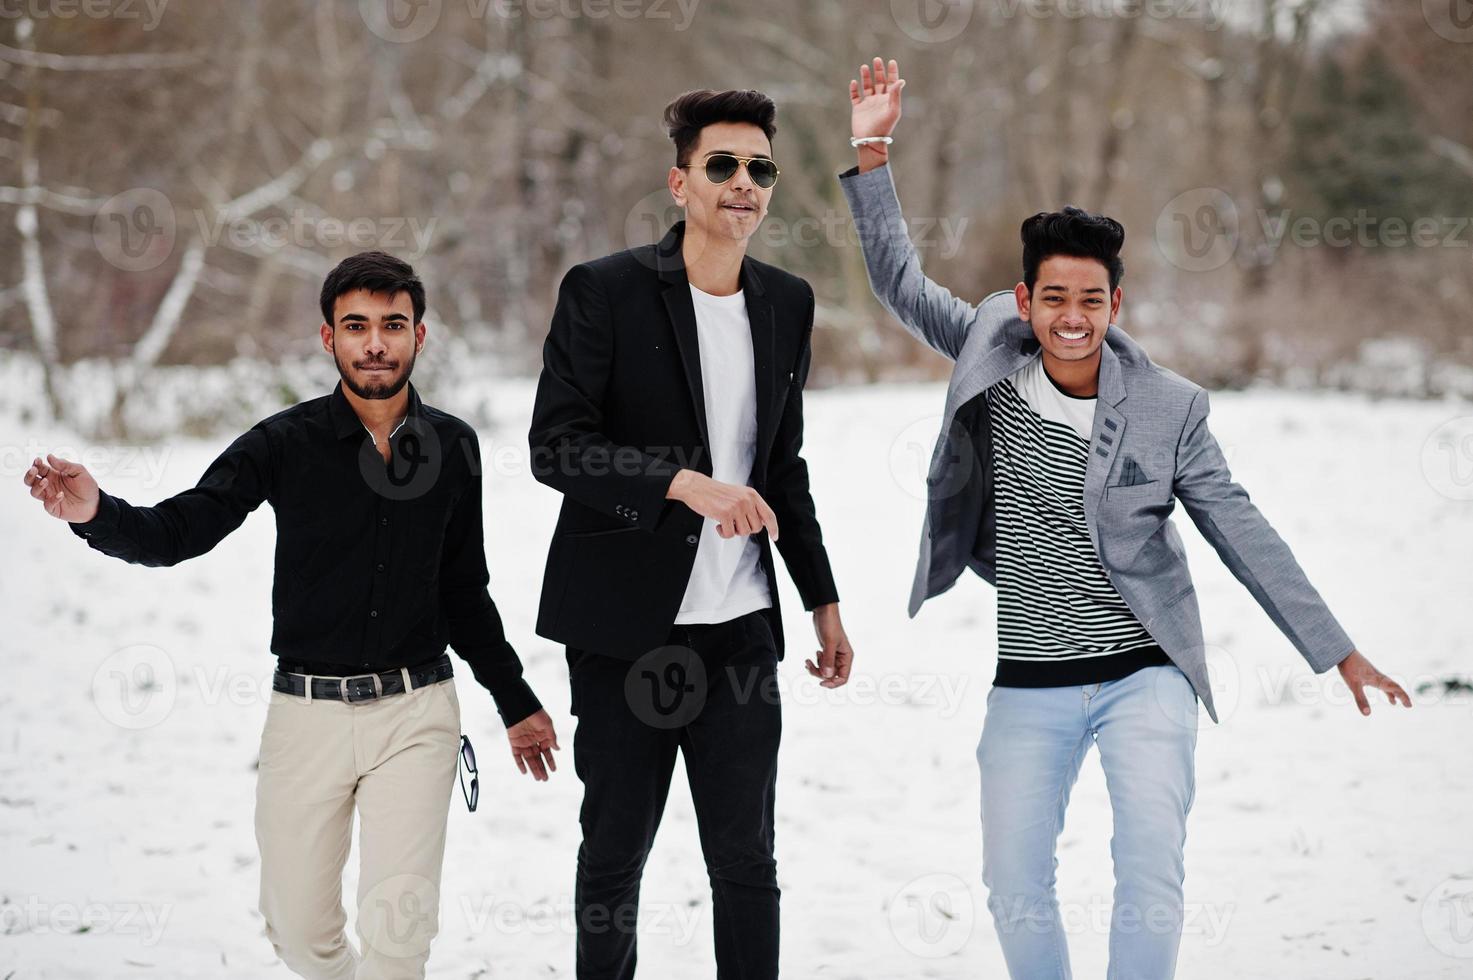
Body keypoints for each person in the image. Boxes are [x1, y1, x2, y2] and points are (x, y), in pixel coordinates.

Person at [840, 57, 1412, 979]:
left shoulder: (1169, 406)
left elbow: (1240, 528)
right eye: (1054, 298)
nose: (1073, 318)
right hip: (1026, 675)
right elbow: (898, 281)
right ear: (1024, 301)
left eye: (1091, 300)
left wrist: (1337, 650)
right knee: (1012, 881)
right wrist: (872, 150)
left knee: (1149, 869)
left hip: (1146, 675)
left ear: (1117, 304)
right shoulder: (988, 345)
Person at [22, 250, 559, 980]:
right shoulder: (283, 444)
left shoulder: (453, 447)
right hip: (307, 716)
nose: (376, 342)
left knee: (399, 929)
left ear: (420, 337)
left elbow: (463, 590)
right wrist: (96, 513)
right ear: (327, 338)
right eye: (357, 325)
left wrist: (515, 700)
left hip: (416, 711)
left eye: (393, 325)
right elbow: (182, 530)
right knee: (298, 932)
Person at [527, 89, 855, 979]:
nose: (743, 183)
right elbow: (555, 448)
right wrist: (680, 485)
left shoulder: (787, 302)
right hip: (624, 630)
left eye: (760, 168)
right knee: (614, 859)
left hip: (741, 630)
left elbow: (781, 466)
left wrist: (820, 599)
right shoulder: (605, 291)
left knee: (747, 864)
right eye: (722, 165)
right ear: (679, 182)